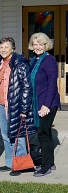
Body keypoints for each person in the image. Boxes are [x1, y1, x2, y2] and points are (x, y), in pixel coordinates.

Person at [0, 37, 36, 176]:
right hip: (1, 104)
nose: (3, 49)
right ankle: (9, 163)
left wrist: (24, 108)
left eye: (6, 47)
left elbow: (27, 87)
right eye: (1, 47)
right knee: (6, 135)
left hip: (15, 105)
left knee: (18, 136)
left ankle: (21, 164)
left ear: (13, 48)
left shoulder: (19, 63)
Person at [28, 33, 60, 177]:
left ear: (46, 45)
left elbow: (52, 85)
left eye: (41, 44)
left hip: (48, 104)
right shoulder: (35, 60)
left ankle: (45, 167)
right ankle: (51, 162)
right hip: (37, 103)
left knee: (43, 134)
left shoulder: (49, 60)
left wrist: (46, 105)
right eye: (35, 44)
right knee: (45, 133)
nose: (38, 47)